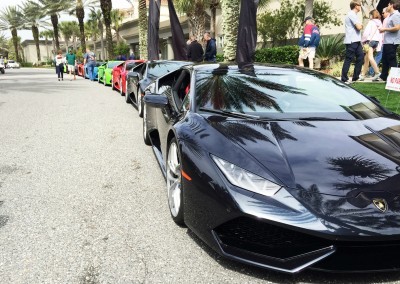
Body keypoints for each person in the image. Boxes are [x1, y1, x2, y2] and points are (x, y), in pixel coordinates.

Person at [375, 0, 400, 82]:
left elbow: (397, 28)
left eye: (388, 4)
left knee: (391, 60)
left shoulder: (396, 15)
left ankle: (395, 79)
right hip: (387, 41)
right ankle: (383, 76)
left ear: (392, 5)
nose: (387, 6)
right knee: (385, 60)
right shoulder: (391, 16)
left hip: (392, 42)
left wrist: (385, 29)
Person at [341, 0, 363, 84]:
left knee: (360, 57)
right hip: (351, 41)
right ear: (355, 6)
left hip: (356, 40)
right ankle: (344, 78)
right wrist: (361, 25)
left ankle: (355, 77)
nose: (360, 6)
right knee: (349, 59)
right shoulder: (351, 14)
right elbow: (358, 27)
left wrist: (360, 25)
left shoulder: (355, 15)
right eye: (359, 5)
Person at [359, 10, 383, 81]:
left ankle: (377, 72)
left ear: (372, 15)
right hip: (376, 41)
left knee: (370, 57)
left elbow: (366, 33)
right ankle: (363, 75)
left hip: (370, 41)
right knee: (366, 58)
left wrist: (362, 41)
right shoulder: (379, 23)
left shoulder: (371, 22)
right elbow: (380, 34)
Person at [369, 8, 389, 76]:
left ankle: (372, 72)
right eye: (382, 13)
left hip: (381, 41)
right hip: (382, 41)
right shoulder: (381, 21)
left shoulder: (384, 20)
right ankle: (373, 72)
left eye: (383, 13)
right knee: (379, 57)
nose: (382, 14)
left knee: (375, 57)